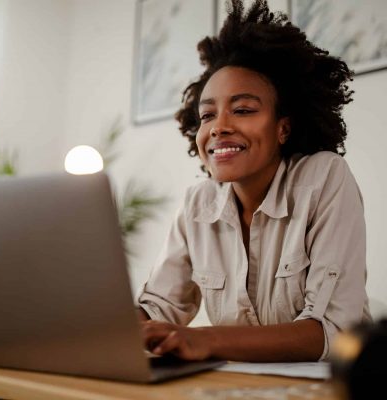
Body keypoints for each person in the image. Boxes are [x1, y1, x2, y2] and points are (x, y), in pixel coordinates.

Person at [136, 0, 372, 362]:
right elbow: (160, 306)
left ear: (283, 128)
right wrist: (108, 329)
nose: (219, 127)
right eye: (207, 115)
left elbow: (331, 331)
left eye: (243, 109)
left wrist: (206, 339)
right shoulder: (198, 203)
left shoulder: (324, 177)